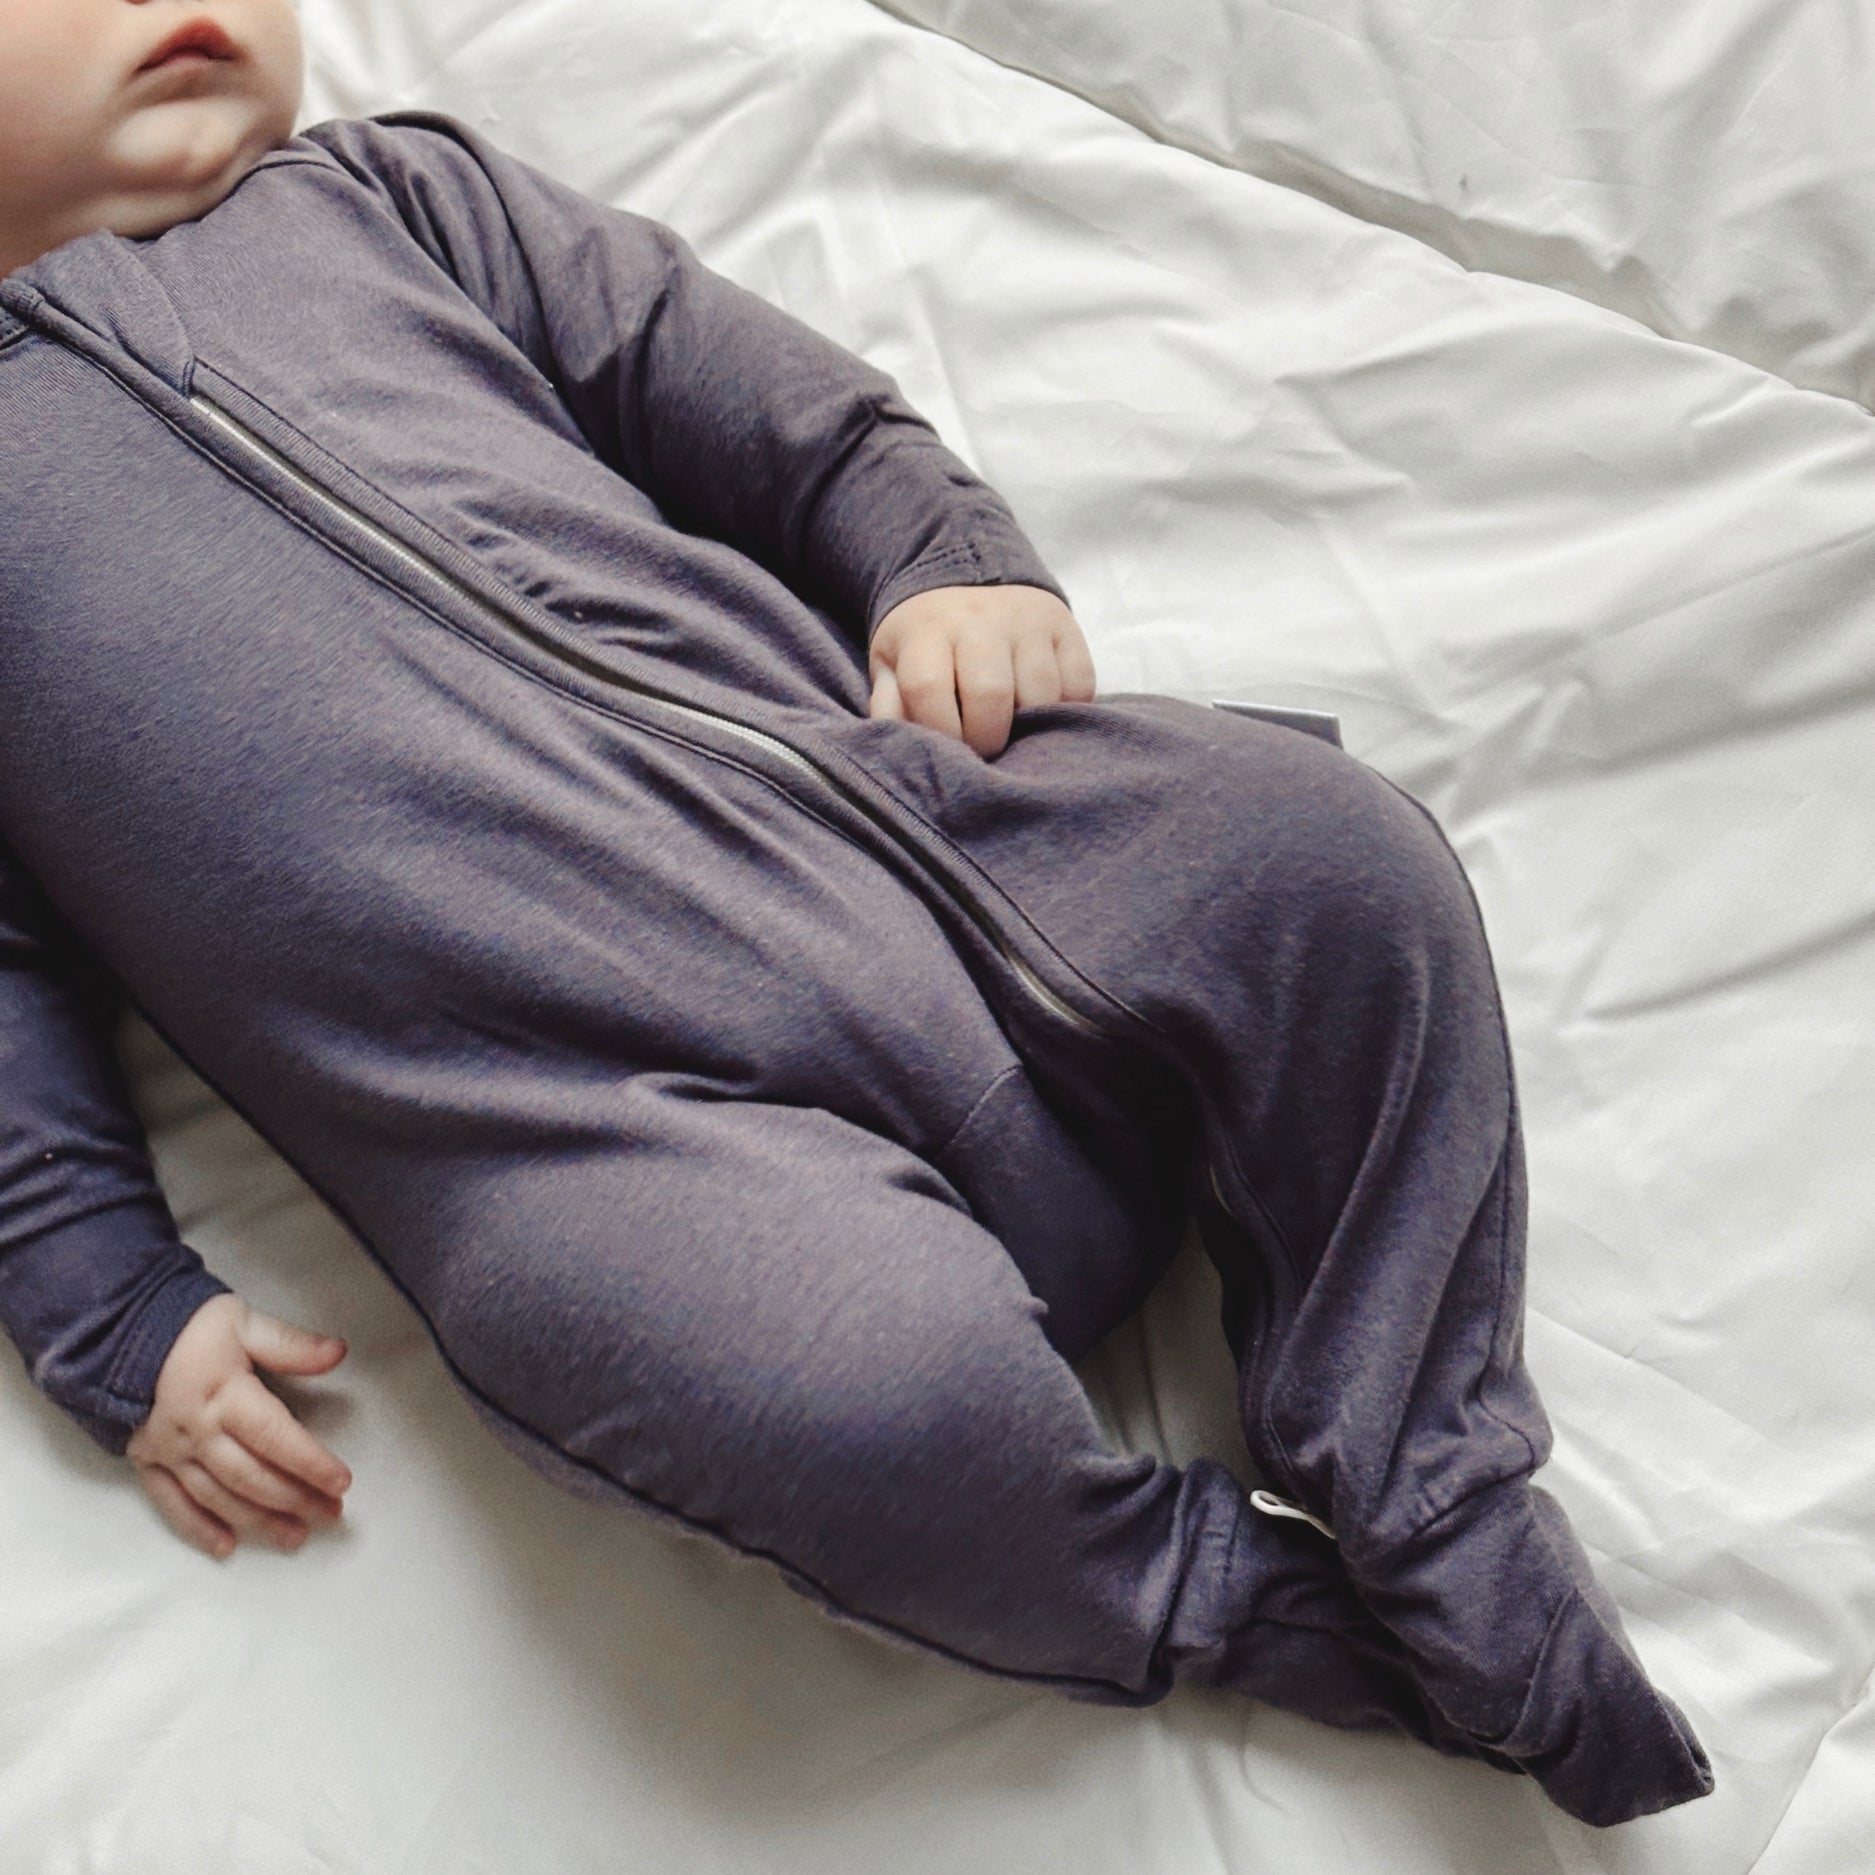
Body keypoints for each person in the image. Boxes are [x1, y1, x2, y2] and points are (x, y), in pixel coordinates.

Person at [0, 0, 1712, 1828]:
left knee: (1331, 862)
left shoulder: (392, 199)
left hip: (953, 853)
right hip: (603, 1141)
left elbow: (729, 380)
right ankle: (1230, 1599)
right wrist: (109, 1306)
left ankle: (1427, 1471)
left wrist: (940, 559)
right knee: (826, 1405)